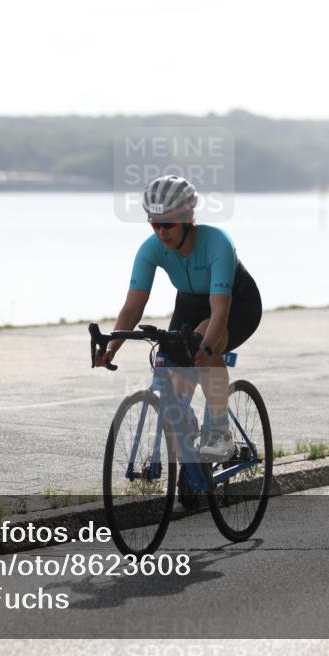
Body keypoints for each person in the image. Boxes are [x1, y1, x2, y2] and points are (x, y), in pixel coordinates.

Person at [94, 175, 262, 460]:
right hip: (189, 304)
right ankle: (192, 460)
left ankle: (221, 434)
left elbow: (219, 311)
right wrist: (112, 347)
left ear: (187, 217)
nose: (161, 233)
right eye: (155, 224)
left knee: (205, 348)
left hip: (236, 305)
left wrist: (208, 348)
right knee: (175, 386)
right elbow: (132, 307)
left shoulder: (217, 242)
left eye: (168, 224)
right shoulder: (151, 249)